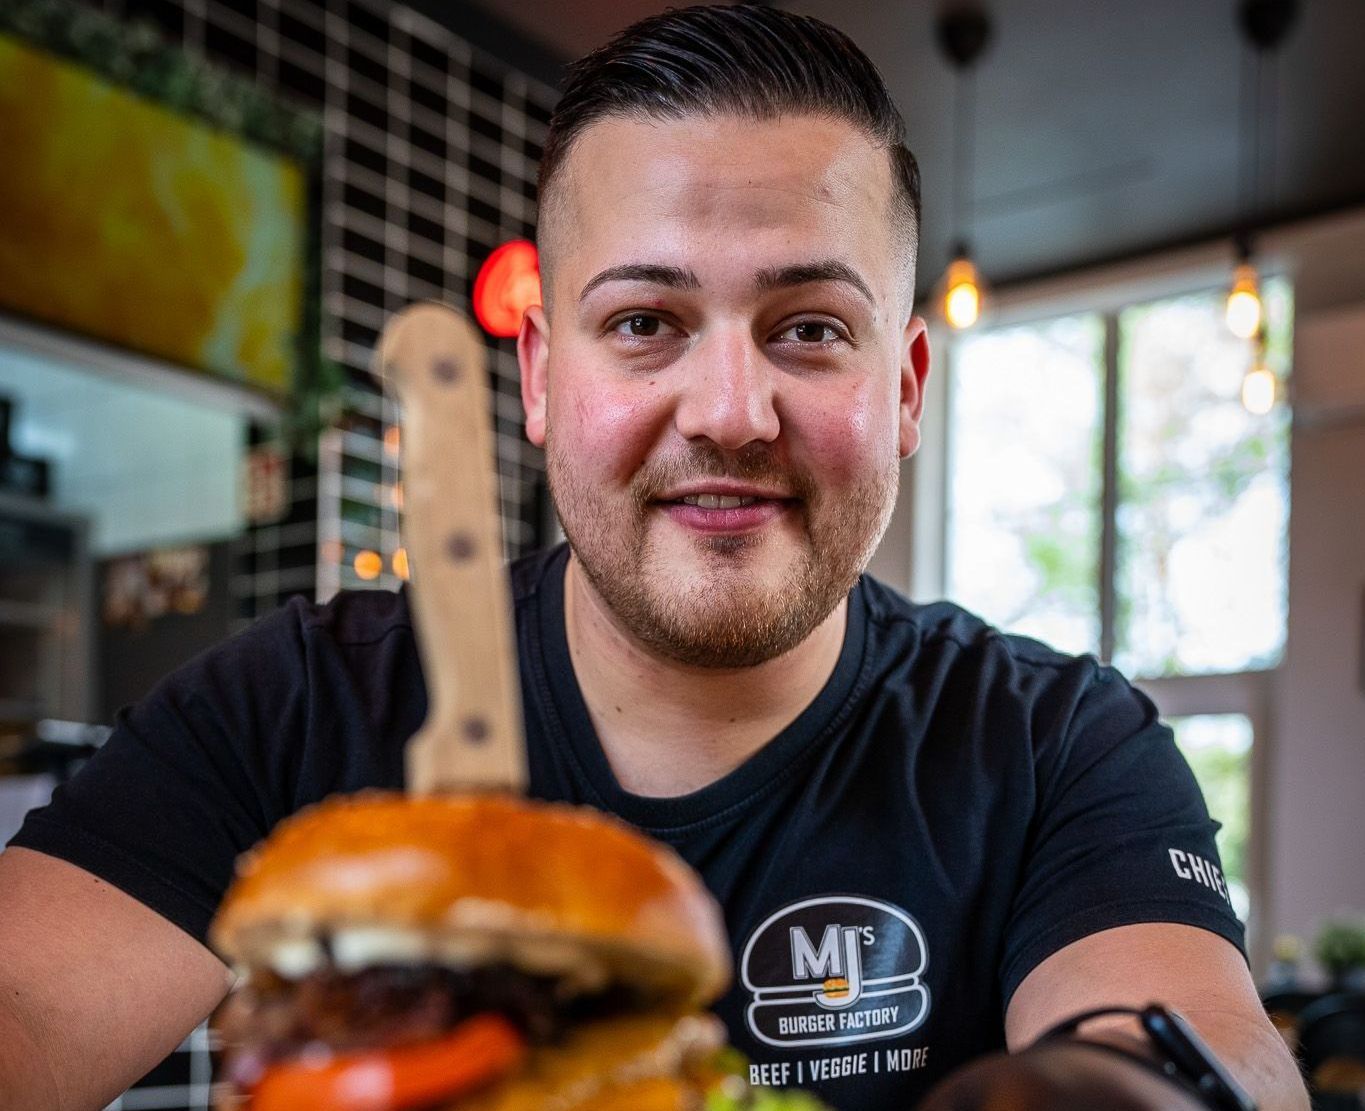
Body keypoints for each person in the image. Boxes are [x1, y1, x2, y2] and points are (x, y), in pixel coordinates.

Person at [0, 6, 1306, 1110]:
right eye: (643, 322)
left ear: (906, 387)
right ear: (540, 377)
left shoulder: (1057, 743)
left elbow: (1194, 1052)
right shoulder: (289, 705)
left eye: (809, 327)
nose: (730, 413)